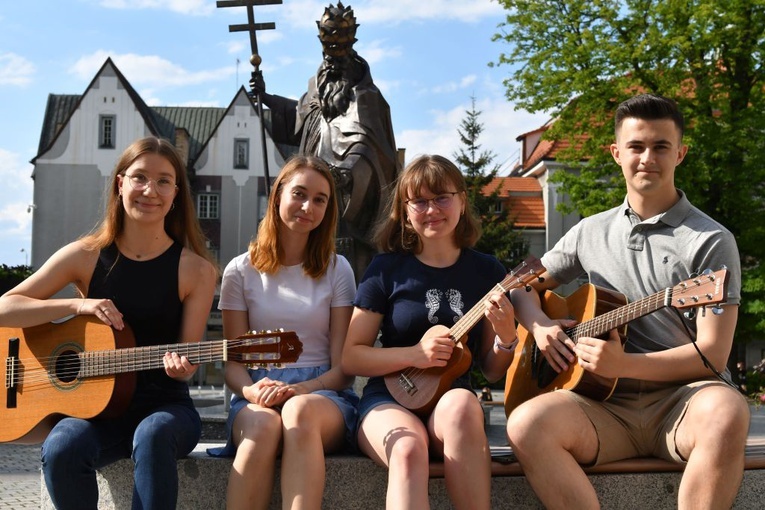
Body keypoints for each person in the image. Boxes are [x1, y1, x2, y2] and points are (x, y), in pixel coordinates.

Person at [505, 93, 750, 509]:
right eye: (636, 146)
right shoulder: (588, 232)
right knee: (526, 423)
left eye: (661, 147)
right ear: (616, 153)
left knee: (729, 411)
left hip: (684, 400)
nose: (647, 158)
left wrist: (624, 364)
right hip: (601, 405)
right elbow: (519, 286)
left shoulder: (710, 240)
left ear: (681, 153)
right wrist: (540, 326)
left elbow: (713, 354)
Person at [0, 136, 218, 509]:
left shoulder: (196, 271)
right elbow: (6, 307)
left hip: (165, 408)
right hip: (95, 409)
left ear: (176, 193)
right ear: (120, 183)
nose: (150, 190)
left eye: (164, 180)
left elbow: (187, 362)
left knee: (152, 433)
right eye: (140, 177)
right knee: (62, 445)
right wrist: (78, 306)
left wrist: (182, 368)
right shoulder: (84, 256)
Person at [342, 154, 518, 510]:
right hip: (388, 399)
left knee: (463, 406)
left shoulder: (487, 271)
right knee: (407, 449)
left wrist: (506, 338)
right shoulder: (385, 269)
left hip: (451, 401)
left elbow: (492, 369)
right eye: (419, 201)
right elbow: (351, 355)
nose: (431, 209)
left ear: (462, 201)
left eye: (441, 198)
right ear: (405, 211)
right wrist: (414, 355)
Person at [208, 155, 358, 510]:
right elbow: (233, 364)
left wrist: (300, 389)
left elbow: (344, 369)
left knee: (298, 412)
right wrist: (251, 390)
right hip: (257, 392)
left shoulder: (339, 270)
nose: (308, 206)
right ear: (277, 197)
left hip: (322, 394)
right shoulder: (239, 271)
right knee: (262, 427)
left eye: (320, 199)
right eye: (299, 194)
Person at [252, 2, 399, 276]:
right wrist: (267, 97)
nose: (332, 57)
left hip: (347, 199)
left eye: (338, 49)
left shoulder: (367, 96)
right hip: (314, 185)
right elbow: (303, 115)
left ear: (350, 45)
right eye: (328, 48)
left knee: (344, 260)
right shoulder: (317, 83)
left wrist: (345, 174)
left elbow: (371, 147)